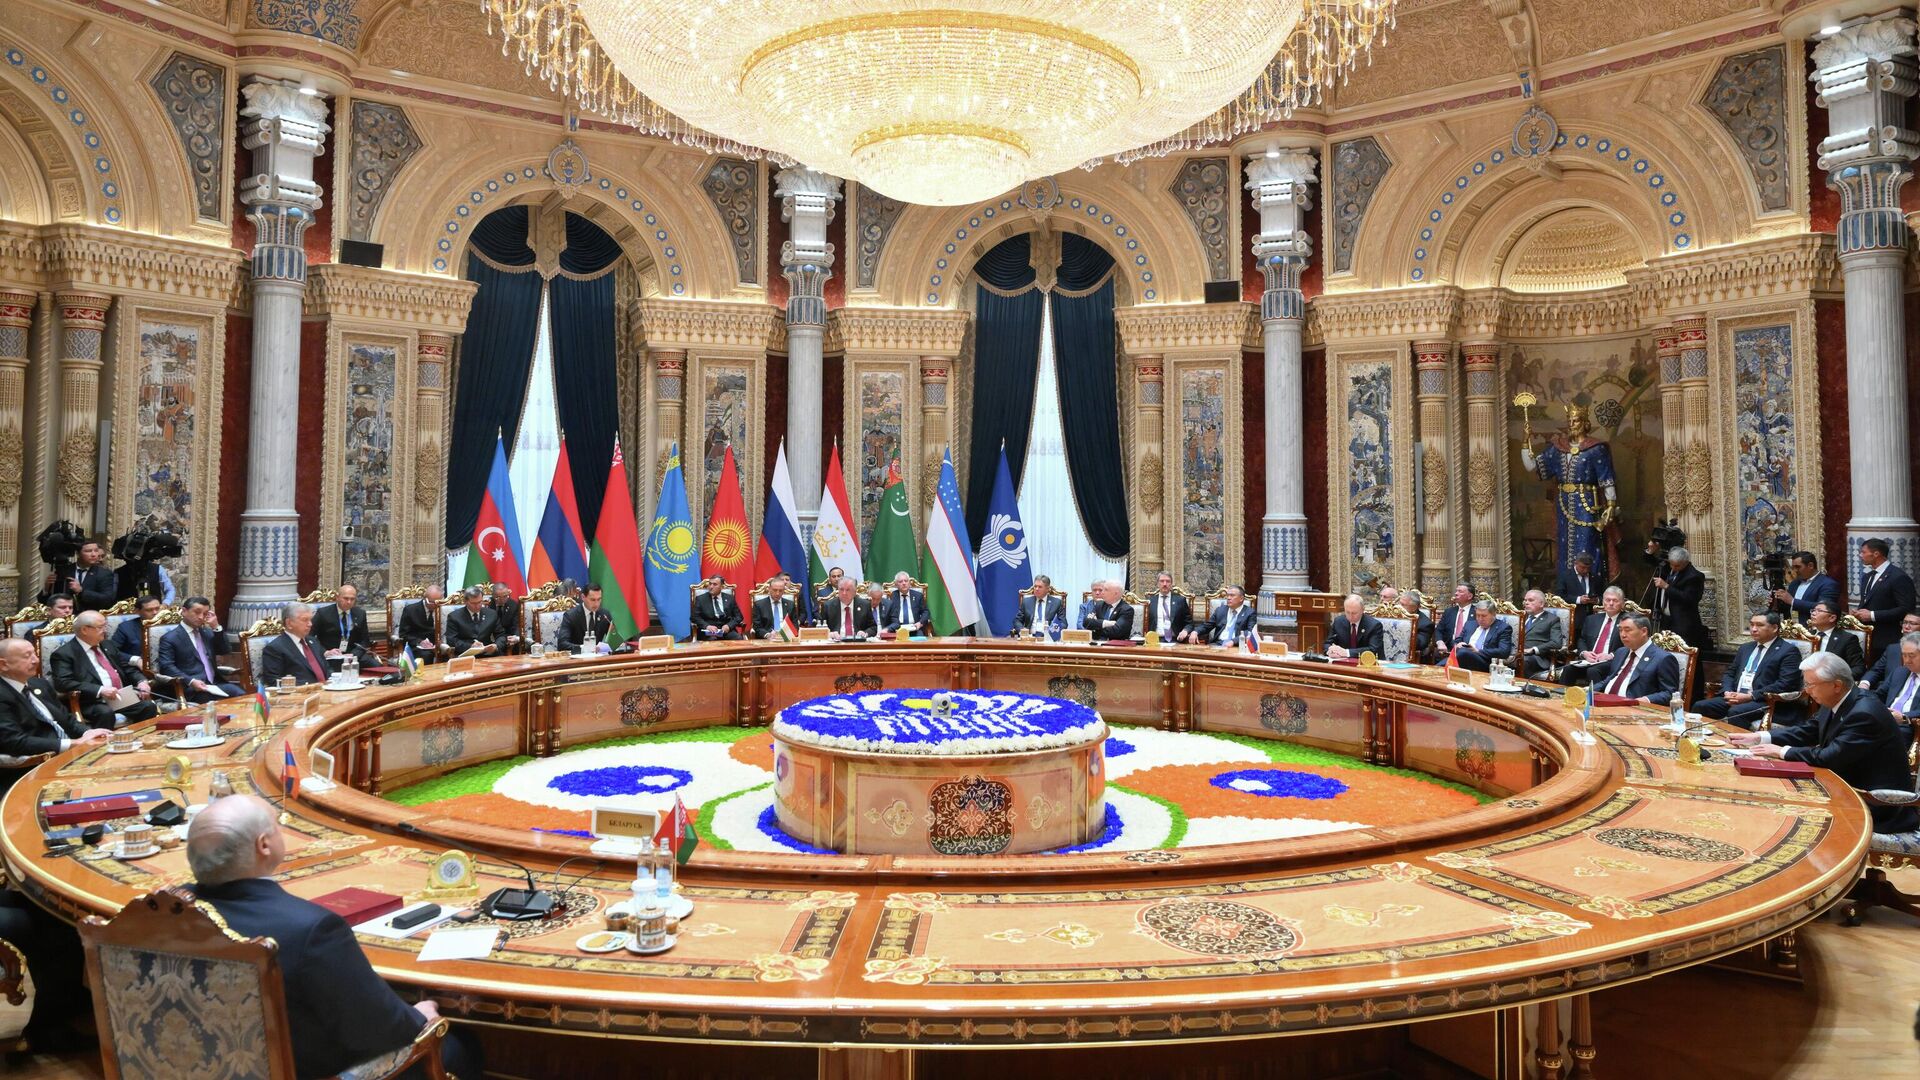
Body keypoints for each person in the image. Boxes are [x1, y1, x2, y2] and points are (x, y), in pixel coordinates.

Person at [187, 795, 484, 1079]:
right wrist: (420, 1017)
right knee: (459, 1048)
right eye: (276, 825)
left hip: (192, 1065)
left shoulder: (166, 913)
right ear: (264, 845)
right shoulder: (312, 929)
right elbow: (378, 1029)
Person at [1730, 653, 1918, 834]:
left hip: (1876, 804)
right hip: (1846, 785)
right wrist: (1760, 737)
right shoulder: (1839, 699)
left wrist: (1781, 751)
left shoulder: (1864, 713)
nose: (1807, 690)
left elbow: (1830, 757)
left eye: (1810, 685)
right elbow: (1809, 730)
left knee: (1784, 809)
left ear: (1836, 685)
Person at [1521, 403, 1618, 585]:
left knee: (1587, 546)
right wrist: (1526, 440)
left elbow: (1607, 479)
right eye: (1570, 421)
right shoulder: (1558, 448)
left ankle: (1591, 589)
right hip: (1563, 506)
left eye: (1576, 421)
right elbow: (1531, 466)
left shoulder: (1596, 448)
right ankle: (1566, 590)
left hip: (1588, 505)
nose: (1572, 424)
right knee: (1564, 548)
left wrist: (1611, 505)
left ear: (1585, 423)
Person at [0, 637, 109, 791]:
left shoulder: (39, 684)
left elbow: (66, 719)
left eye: (34, 654)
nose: (35, 660)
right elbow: (15, 742)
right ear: (3, 665)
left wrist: (88, 732)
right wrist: (73, 744)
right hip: (32, 769)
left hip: (68, 757)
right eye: (27, 656)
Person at [1692, 613, 1802, 730]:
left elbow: (1785, 684)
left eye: (1759, 625)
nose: (1754, 629)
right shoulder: (1746, 648)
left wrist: (1750, 696)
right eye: (1751, 625)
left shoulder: (1788, 651)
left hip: (1764, 701)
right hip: (1735, 696)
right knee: (1701, 706)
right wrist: (1727, 691)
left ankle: (1736, 742)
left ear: (1774, 628)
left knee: (1736, 712)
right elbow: (1730, 673)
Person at [51, 610, 157, 728]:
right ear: (84, 630)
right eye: (100, 627)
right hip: (91, 701)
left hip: (119, 697)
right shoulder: (64, 654)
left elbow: (126, 668)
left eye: (105, 626)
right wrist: (100, 690)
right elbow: (63, 683)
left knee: (148, 706)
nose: (105, 630)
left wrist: (141, 681)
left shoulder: (108, 645)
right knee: (106, 713)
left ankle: (139, 737)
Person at [155, 596, 243, 703]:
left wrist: (216, 627)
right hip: (190, 688)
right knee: (221, 703)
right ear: (184, 611)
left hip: (215, 683)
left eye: (205, 614)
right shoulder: (170, 638)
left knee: (243, 697)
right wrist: (190, 681)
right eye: (197, 612)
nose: (201, 617)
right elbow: (167, 667)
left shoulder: (207, 632)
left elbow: (224, 650)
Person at [1585, 613, 1680, 705]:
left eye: (1627, 630)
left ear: (1644, 631)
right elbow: (1610, 679)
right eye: (1620, 630)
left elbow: (1670, 693)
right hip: (1605, 702)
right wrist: (1587, 690)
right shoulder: (1621, 652)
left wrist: (1645, 700)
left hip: (1634, 708)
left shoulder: (1663, 658)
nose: (1622, 635)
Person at [1853, 538, 1916, 658]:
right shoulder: (1867, 576)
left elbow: (1906, 608)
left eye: (1863, 552)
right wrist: (1859, 612)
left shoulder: (1898, 577)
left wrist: (1872, 615)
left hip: (1887, 638)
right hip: (1867, 637)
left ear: (1876, 554)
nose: (1860, 555)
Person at [260, 603, 333, 686]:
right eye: (305, 620)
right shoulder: (275, 648)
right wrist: (309, 687)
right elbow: (274, 681)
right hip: (302, 692)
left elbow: (326, 668)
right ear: (289, 623)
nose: (310, 624)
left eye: (310, 620)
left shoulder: (313, 641)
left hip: (327, 689)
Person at [1651, 546, 1709, 648]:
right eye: (1671, 564)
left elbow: (1689, 599)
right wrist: (1650, 550)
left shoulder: (1694, 576)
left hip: (1683, 623)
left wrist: (1666, 587)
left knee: (1682, 652)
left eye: (1677, 566)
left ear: (1685, 562)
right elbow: (1651, 562)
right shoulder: (1670, 568)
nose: (1673, 568)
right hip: (1666, 620)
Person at [312, 584, 377, 668]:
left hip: (353, 655)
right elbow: (310, 637)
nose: (349, 602)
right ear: (337, 597)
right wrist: (325, 652)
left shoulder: (360, 614)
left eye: (352, 599)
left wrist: (354, 654)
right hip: (331, 655)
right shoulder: (323, 613)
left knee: (377, 667)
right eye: (346, 598)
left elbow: (364, 640)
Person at [39, 540, 116, 610]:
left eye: (96, 551)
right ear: (78, 554)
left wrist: (81, 591)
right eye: (88, 551)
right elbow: (46, 602)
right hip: (66, 616)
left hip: (90, 616)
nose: (94, 554)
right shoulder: (64, 571)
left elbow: (108, 600)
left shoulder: (104, 574)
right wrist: (46, 589)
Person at [1773, 550, 1842, 622]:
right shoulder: (1794, 583)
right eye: (1793, 567)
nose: (1795, 570)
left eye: (1798, 567)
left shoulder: (1828, 584)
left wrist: (1792, 601)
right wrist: (1776, 603)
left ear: (1810, 565)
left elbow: (1824, 609)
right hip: (1791, 626)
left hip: (1813, 627)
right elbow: (1788, 607)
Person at [1806, 600, 1867, 681]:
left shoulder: (1847, 639)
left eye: (1819, 611)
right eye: (1813, 610)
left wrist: (1837, 680)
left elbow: (1858, 668)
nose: (1813, 613)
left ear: (1832, 618)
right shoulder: (1807, 635)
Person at [1859, 612, 1920, 692]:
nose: (1906, 627)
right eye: (1905, 622)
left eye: (1912, 623)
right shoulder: (1892, 649)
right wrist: (1865, 683)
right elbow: (1876, 671)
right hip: (1885, 693)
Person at [1448, 601, 1515, 672]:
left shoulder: (1503, 628)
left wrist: (1478, 651)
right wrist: (1458, 645)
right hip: (1462, 658)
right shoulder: (1469, 624)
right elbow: (1456, 641)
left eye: (1484, 616)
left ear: (1494, 614)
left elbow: (1504, 651)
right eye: (1477, 615)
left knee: (1462, 653)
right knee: (1450, 659)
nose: (1480, 619)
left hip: (1485, 662)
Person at [1869, 632, 1920, 721]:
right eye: (1904, 655)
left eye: (1911, 656)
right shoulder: (1899, 672)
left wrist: (1904, 717)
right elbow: (1879, 695)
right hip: (1885, 720)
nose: (1907, 660)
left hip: (1909, 725)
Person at [1519, 590, 1566, 678]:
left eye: (1531, 600)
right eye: (1525, 600)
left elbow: (1556, 643)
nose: (1526, 603)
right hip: (1516, 653)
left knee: (1522, 660)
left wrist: (1534, 649)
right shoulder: (1520, 617)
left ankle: (1523, 685)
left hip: (1537, 657)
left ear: (1541, 604)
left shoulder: (1552, 619)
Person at [556, 583, 615, 653]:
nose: (596, 604)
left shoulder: (604, 615)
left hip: (599, 657)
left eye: (599, 599)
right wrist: (585, 648)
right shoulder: (570, 616)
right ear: (583, 597)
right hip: (578, 657)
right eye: (593, 600)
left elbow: (614, 640)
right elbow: (562, 644)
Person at [444, 586, 502, 657]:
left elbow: (501, 635)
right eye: (473, 603)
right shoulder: (454, 617)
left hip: (488, 654)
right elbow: (451, 640)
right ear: (465, 601)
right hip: (465, 655)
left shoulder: (491, 614)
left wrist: (496, 646)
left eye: (480, 602)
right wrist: (470, 646)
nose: (477, 606)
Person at [1326, 593, 1383, 659]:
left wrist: (1347, 652)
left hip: (1368, 662)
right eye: (1347, 612)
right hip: (1343, 662)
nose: (1350, 616)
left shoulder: (1374, 625)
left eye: (1354, 613)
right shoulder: (1338, 622)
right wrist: (1331, 651)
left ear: (1362, 610)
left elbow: (1373, 650)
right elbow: (1328, 643)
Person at [395, 584, 443, 661]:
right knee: (426, 656)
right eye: (432, 602)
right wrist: (420, 642)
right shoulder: (410, 610)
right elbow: (403, 635)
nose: (435, 605)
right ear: (425, 598)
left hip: (437, 645)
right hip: (417, 646)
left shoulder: (442, 610)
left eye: (438, 602)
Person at [109, 595, 163, 662]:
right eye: (149, 610)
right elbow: (112, 651)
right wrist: (135, 660)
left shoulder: (170, 625)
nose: (155, 613)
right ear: (137, 611)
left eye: (157, 609)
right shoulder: (126, 627)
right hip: (137, 665)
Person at [1141, 572, 1190, 641]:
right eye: (1162, 581)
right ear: (1157, 584)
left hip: (1175, 640)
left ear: (1171, 584)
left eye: (1168, 581)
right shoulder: (1150, 601)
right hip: (1154, 640)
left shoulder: (1180, 600)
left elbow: (1189, 623)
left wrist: (1185, 630)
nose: (1164, 584)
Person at [1434, 583, 1477, 658]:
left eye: (1460, 591)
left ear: (1469, 596)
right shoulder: (1449, 612)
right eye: (1456, 591)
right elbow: (1439, 630)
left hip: (1468, 651)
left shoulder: (1477, 613)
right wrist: (1440, 642)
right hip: (1448, 650)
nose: (1456, 593)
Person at [1399, 590, 1437, 661]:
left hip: (1410, 659)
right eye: (1399, 604)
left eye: (1403, 605)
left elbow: (1420, 645)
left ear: (1414, 607)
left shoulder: (1426, 624)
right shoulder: (1391, 618)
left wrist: (1403, 629)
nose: (1399, 608)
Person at [489, 583, 524, 655]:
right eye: (498, 597)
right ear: (493, 596)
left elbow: (516, 625)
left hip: (508, 636)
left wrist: (515, 636)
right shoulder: (487, 605)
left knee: (516, 644)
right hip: (492, 636)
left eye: (505, 596)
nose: (502, 600)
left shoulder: (513, 605)